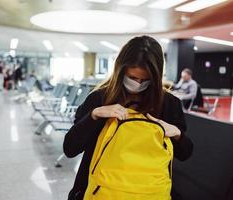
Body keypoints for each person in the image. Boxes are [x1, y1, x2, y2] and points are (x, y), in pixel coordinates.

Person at [63, 35, 193, 200]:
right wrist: (94, 115)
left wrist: (177, 134)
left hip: (147, 192)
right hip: (101, 191)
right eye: (132, 77)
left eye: (145, 80)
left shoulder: (168, 103)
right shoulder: (100, 98)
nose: (138, 83)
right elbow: (70, 148)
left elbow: (185, 153)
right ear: (120, 69)